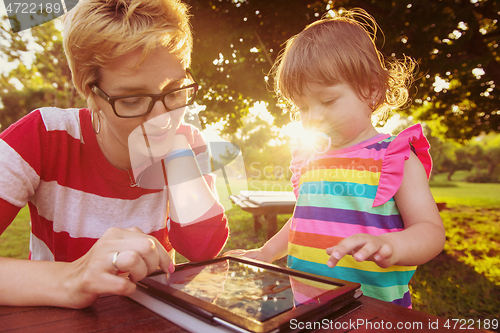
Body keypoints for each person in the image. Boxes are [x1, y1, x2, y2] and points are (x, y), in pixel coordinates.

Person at [0, 0, 228, 309]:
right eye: (133, 99)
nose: (162, 118)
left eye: (174, 91)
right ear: (91, 94)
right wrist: (70, 280)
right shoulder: (43, 136)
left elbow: (203, 250)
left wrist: (178, 154)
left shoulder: (185, 140)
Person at [227, 8, 445, 308]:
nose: (313, 117)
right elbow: (303, 220)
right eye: (302, 107)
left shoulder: (395, 156)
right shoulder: (311, 158)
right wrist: (266, 252)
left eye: (327, 101)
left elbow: (430, 231)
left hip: (374, 313)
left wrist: (392, 245)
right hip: (307, 306)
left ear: (372, 89)